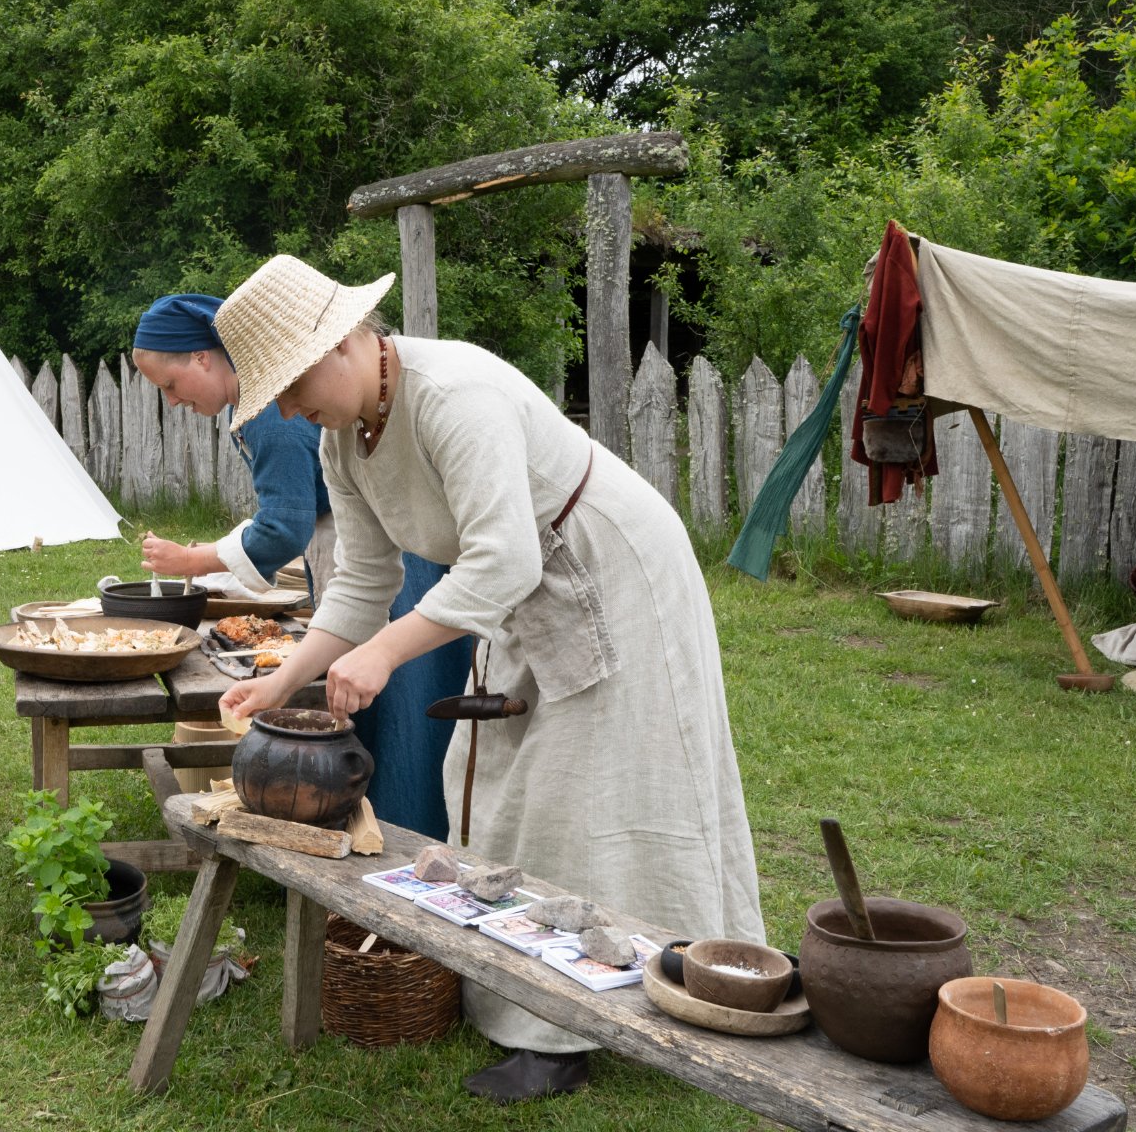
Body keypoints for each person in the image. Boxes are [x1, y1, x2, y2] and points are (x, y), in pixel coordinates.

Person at [215, 255, 763, 1103]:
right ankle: (538, 1000)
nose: (289, 410)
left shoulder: (452, 392)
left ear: (346, 342)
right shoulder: (342, 439)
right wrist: (282, 682)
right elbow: (363, 578)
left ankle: (640, 1000)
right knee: (501, 786)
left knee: (592, 791)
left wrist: (386, 653)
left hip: (613, 575)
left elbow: (502, 553)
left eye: (291, 384)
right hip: (513, 594)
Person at [129, 294, 469, 837]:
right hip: (370, 562)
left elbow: (286, 523)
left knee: (405, 727)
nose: (171, 402)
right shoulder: (278, 410)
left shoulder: (270, 409)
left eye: (170, 385)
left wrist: (195, 559)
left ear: (202, 357)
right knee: (391, 721)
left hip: (406, 572)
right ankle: (382, 857)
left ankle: (402, 862)